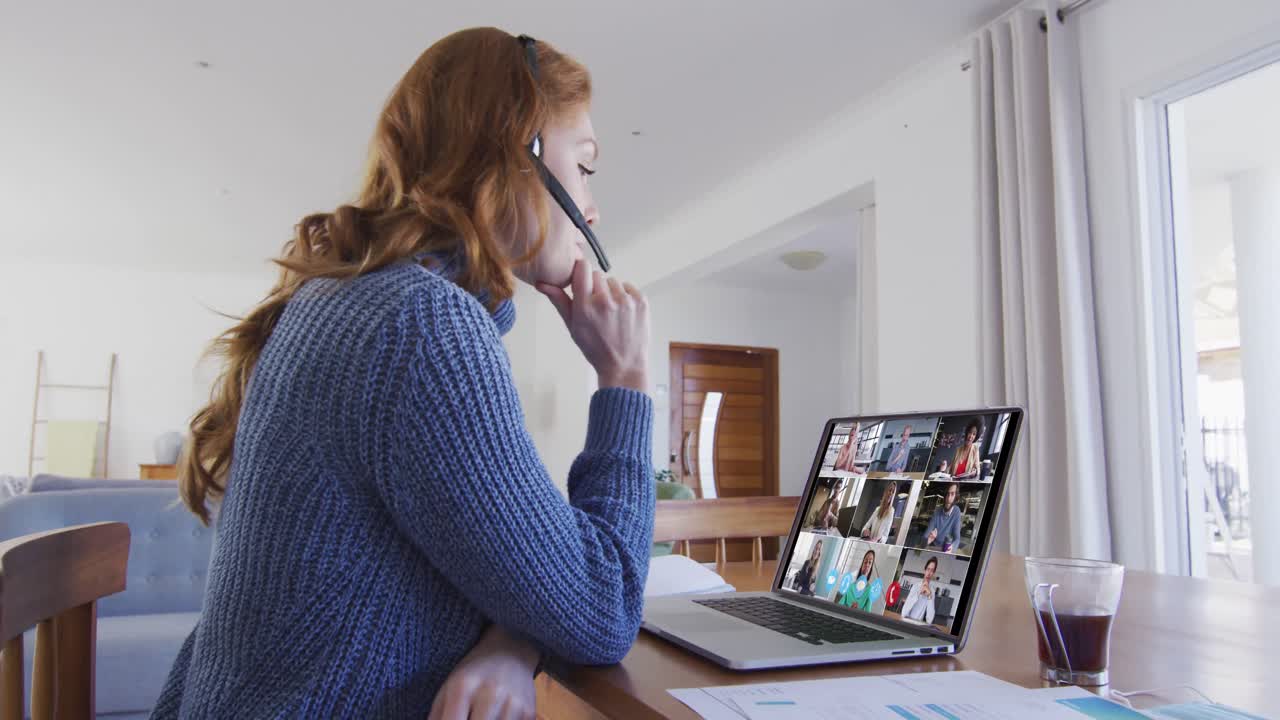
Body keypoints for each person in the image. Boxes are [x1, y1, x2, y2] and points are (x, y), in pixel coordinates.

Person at [153, 28, 654, 719]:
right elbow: (603, 608)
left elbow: (518, 563)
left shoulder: (363, 302)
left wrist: (512, 640)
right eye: (586, 165)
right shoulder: (422, 329)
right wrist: (624, 381)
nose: (593, 206)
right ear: (520, 153)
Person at [925, 483, 963, 552]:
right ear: (945, 495)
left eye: (952, 494)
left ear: (956, 496)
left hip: (946, 547)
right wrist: (926, 541)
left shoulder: (956, 511)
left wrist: (952, 547)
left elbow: (957, 539)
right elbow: (926, 535)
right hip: (934, 545)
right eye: (948, 493)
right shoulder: (937, 510)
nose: (949, 497)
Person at [901, 556, 939, 625]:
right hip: (907, 622)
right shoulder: (916, 586)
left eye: (932, 570)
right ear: (924, 570)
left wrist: (929, 596)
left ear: (934, 573)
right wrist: (918, 593)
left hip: (919, 625)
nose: (929, 573)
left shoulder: (932, 591)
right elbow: (903, 613)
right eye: (928, 569)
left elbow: (929, 620)